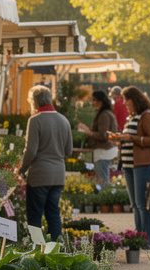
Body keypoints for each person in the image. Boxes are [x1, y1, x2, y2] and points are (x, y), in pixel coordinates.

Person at [19, 85, 73, 241]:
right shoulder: (64, 120)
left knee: (35, 216)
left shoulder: (35, 120)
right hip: (58, 175)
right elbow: (68, 151)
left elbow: (31, 151)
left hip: (39, 175)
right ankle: (57, 250)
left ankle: (37, 250)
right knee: (53, 213)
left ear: (34, 102)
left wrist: (22, 169)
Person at [118, 86, 150, 246]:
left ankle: (146, 239)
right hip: (129, 165)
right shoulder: (132, 117)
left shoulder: (147, 116)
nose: (124, 103)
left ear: (134, 100)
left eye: (126, 100)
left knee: (143, 204)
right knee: (135, 204)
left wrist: (132, 138)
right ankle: (138, 236)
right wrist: (120, 139)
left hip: (143, 164)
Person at [78, 90, 117, 187]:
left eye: (95, 100)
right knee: (103, 180)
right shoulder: (107, 113)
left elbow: (103, 135)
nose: (93, 103)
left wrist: (89, 132)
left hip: (103, 152)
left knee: (103, 182)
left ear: (101, 101)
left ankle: (105, 200)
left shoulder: (104, 115)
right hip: (105, 151)